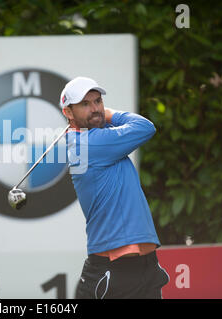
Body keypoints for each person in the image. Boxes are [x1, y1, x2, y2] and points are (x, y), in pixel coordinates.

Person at [60, 76, 170, 299]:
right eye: (85, 104)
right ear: (69, 113)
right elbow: (144, 127)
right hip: (111, 268)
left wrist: (98, 117)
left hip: (144, 265)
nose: (95, 109)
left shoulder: (88, 139)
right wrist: (109, 114)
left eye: (98, 101)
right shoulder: (90, 143)